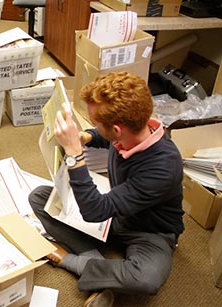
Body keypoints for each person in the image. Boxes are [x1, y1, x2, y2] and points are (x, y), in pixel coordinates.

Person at [29, 72, 185, 307]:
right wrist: (84, 137)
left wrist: (74, 154)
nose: (93, 126)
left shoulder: (163, 168)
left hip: (150, 232)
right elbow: (105, 139)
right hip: (116, 215)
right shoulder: (134, 131)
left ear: (117, 129)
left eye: (94, 124)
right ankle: (101, 269)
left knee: (146, 278)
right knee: (40, 198)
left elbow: (94, 211)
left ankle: (73, 261)